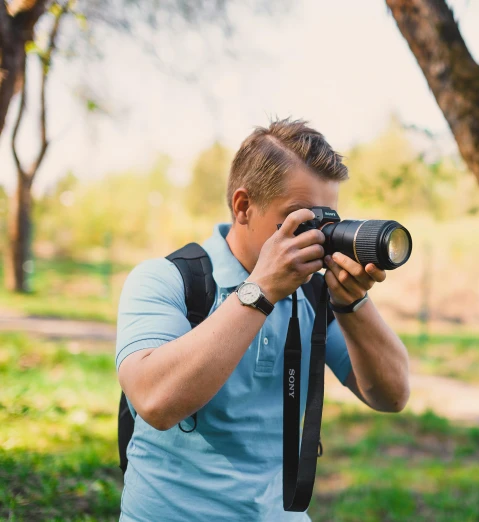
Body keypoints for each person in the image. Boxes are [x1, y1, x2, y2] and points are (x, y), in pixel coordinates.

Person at [115, 118, 411, 521]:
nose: (317, 237)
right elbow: (155, 402)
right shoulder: (167, 279)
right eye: (299, 219)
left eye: (328, 221)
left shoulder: (313, 293)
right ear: (243, 206)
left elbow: (392, 395)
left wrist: (353, 303)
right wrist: (262, 291)